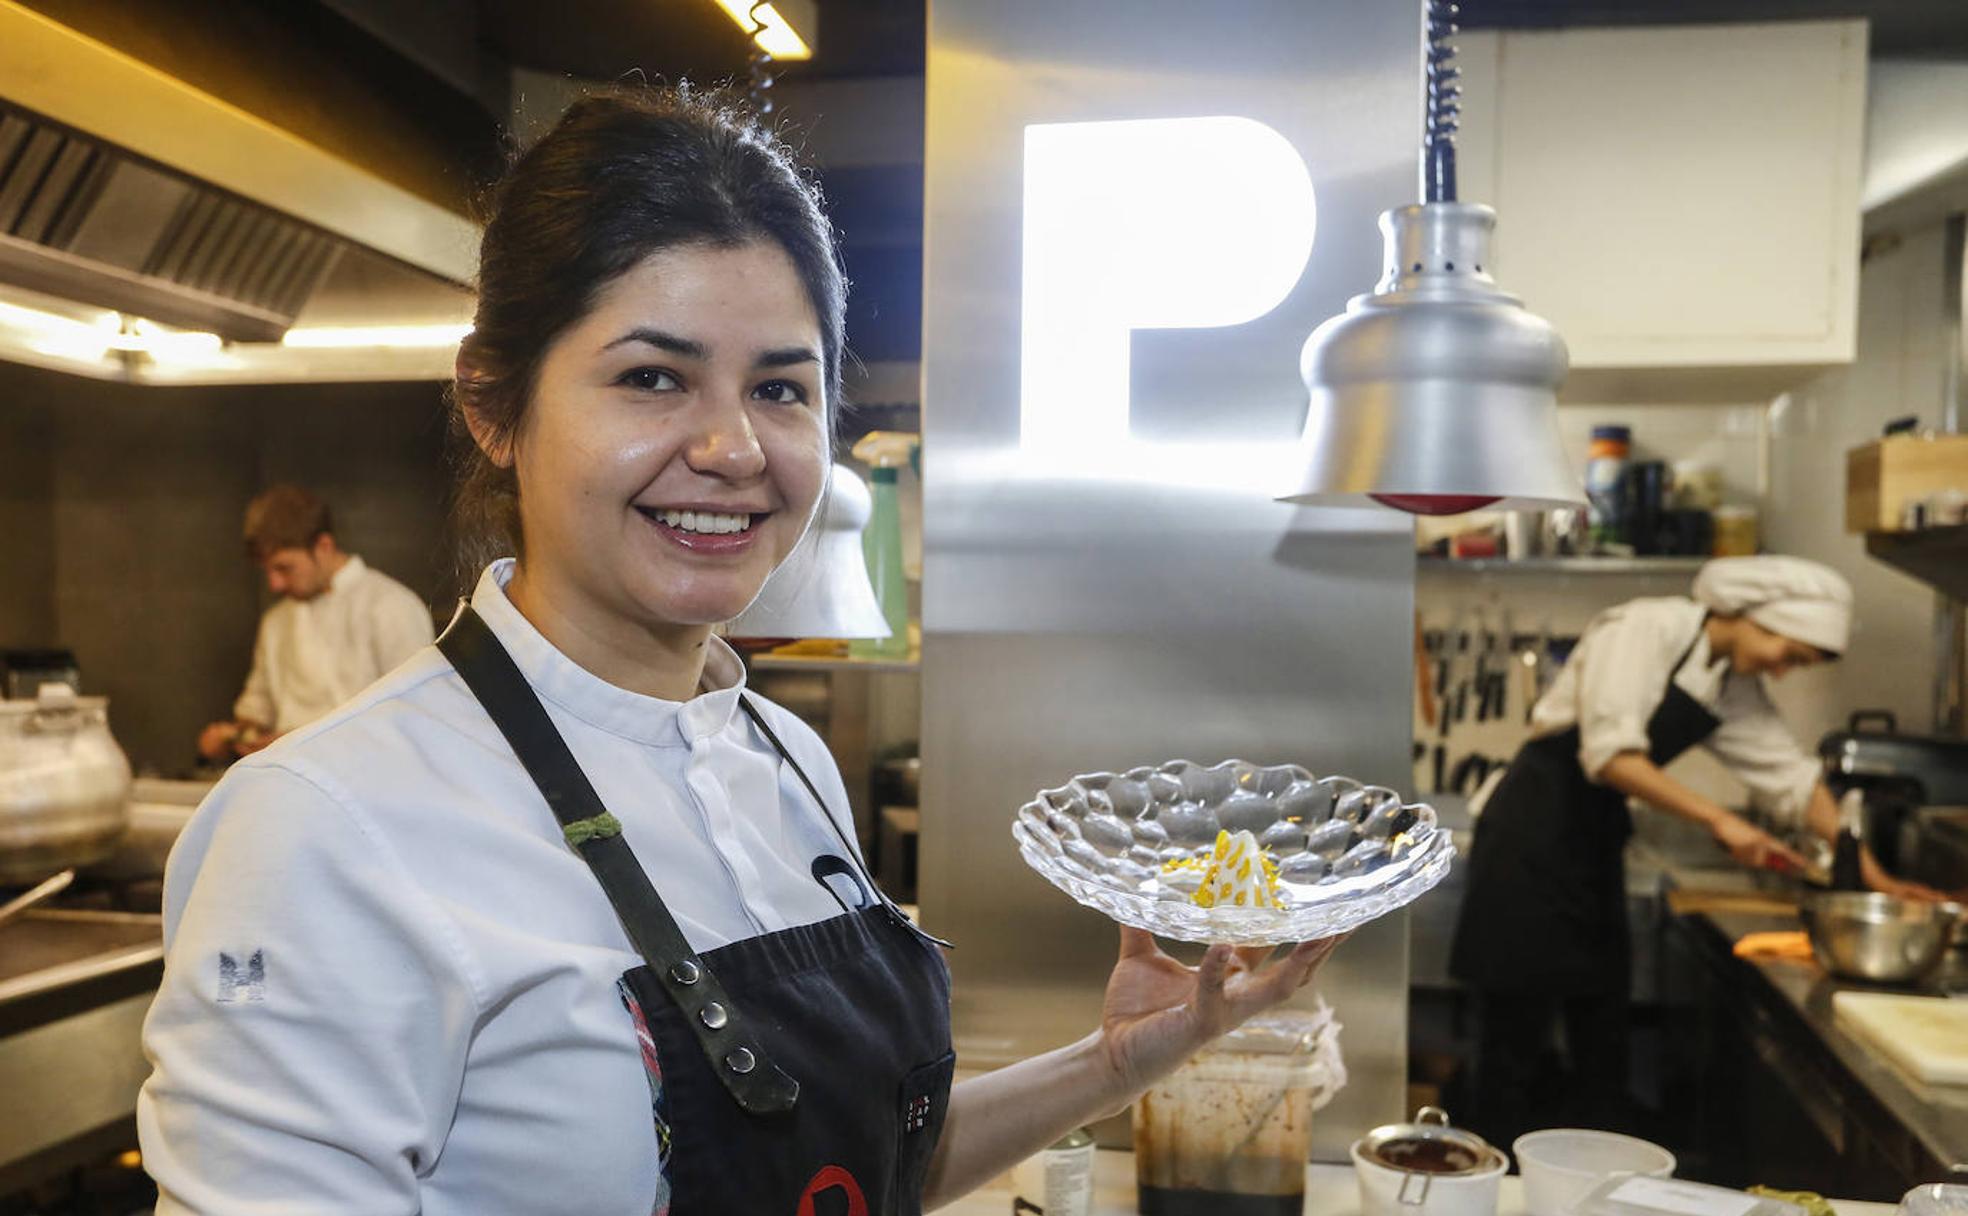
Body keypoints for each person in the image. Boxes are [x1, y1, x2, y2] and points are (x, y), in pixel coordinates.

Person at [138, 88, 1342, 1215]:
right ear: (493, 406)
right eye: (653, 377)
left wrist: (1128, 1058)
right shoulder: (323, 829)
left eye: (780, 388)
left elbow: (864, 1165)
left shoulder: (789, 759)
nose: (730, 447)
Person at [1449, 554, 1940, 1151]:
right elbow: (1609, 756)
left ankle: (1583, 1186)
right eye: (1788, 656)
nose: (1783, 673)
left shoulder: (1726, 682)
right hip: (1529, 840)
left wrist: (1874, 877)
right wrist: (1721, 821)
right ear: (1755, 618)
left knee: (1601, 1035)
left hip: (1591, 847)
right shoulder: (1641, 629)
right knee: (1513, 1044)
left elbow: (1791, 779)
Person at [196, 484, 434, 761]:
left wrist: (299, 739)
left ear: (323, 546)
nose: (274, 584)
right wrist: (232, 735)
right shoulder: (275, 622)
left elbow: (415, 719)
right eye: (268, 571)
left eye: (284, 568)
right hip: (288, 782)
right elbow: (258, 710)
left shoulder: (391, 607)